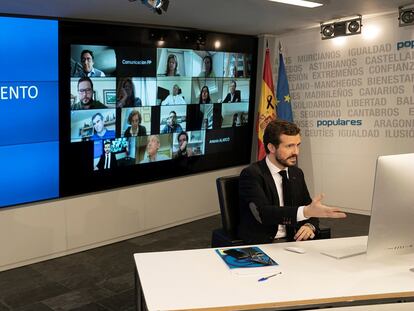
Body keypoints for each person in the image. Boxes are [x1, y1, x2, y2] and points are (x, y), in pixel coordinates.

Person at [238, 119, 346, 245]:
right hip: (263, 243)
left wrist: (309, 225)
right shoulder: (252, 174)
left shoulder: (296, 173)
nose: (296, 152)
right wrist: (305, 212)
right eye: (289, 146)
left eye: (298, 145)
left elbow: (310, 209)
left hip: (294, 241)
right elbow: (264, 214)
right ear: (271, 147)